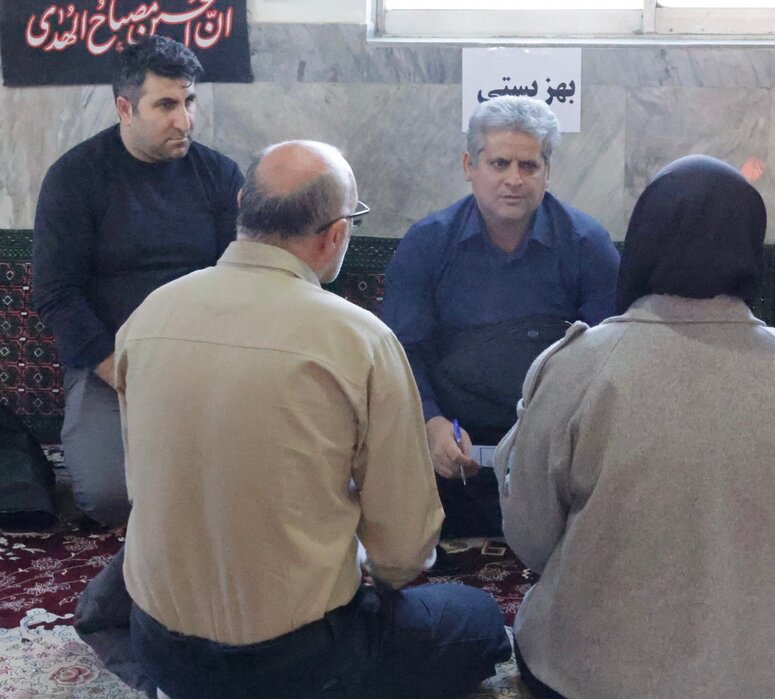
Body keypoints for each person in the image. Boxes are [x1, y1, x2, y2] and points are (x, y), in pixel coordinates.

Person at [117, 140, 511, 699]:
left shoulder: (150, 313)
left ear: (243, 206)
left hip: (160, 649)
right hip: (298, 663)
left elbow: (144, 479)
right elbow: (402, 554)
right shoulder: (358, 338)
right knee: (476, 618)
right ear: (336, 234)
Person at [494, 155, 775, 698]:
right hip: (763, 682)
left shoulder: (581, 363)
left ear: (645, 239)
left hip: (593, 681)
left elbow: (531, 536)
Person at [383, 96, 620, 537]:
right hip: (453, 448)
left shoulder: (587, 245)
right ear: (469, 165)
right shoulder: (427, 244)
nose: (514, 179)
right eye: (499, 164)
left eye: (529, 166)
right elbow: (401, 351)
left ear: (547, 172)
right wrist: (430, 422)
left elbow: (610, 357)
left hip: (554, 457)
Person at [32, 35, 243, 529]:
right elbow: (56, 293)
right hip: (110, 364)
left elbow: (243, 277)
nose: (185, 120)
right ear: (125, 108)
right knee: (109, 496)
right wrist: (119, 369)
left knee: (253, 473)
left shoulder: (219, 175)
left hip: (205, 361)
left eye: (189, 101)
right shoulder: (75, 178)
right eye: (166, 105)